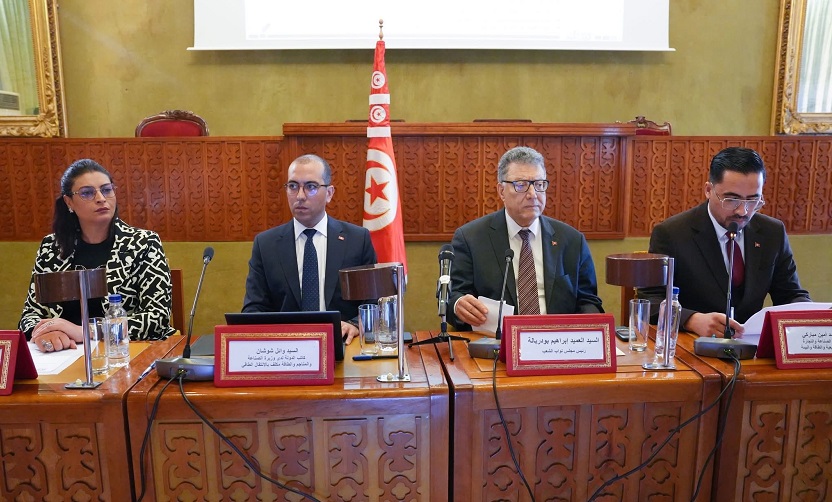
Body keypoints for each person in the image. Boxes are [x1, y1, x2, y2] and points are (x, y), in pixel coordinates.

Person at [642, 146, 811, 338]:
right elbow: (651, 302)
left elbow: (790, 294)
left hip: (751, 345)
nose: (742, 211)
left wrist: (811, 316)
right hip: (693, 344)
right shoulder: (672, 233)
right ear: (708, 190)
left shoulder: (772, 232)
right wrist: (691, 320)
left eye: (753, 200)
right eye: (732, 199)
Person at [19, 159, 175, 352]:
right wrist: (46, 332)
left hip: (126, 352)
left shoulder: (144, 243)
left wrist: (87, 331)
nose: (101, 198)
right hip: (65, 353)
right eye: (87, 193)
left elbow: (157, 318)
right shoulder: (51, 247)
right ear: (69, 202)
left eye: (106, 190)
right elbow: (29, 315)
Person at [449, 146, 603, 330]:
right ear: (501, 191)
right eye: (521, 185)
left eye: (539, 184)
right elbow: (453, 296)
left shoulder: (572, 240)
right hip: (496, 341)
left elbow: (588, 300)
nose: (533, 194)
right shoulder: (470, 238)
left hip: (557, 340)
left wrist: (589, 331)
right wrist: (458, 305)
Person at [242, 154, 377, 343]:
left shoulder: (357, 239)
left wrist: (354, 324)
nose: (300, 196)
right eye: (293, 186)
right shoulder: (265, 244)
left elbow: (372, 301)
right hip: (285, 347)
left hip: (342, 343)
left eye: (311, 187)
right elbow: (254, 308)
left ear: (329, 193)